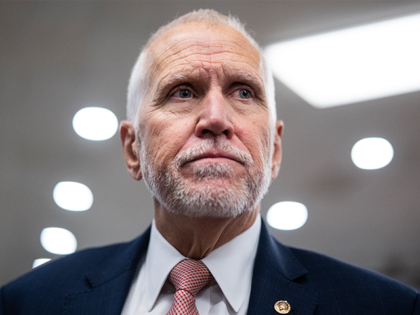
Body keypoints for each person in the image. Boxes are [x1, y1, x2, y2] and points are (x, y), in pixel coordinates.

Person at [1, 9, 419, 315]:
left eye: (243, 92)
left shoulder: (387, 309)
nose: (217, 118)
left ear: (273, 150)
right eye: (183, 91)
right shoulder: (26, 304)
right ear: (133, 149)